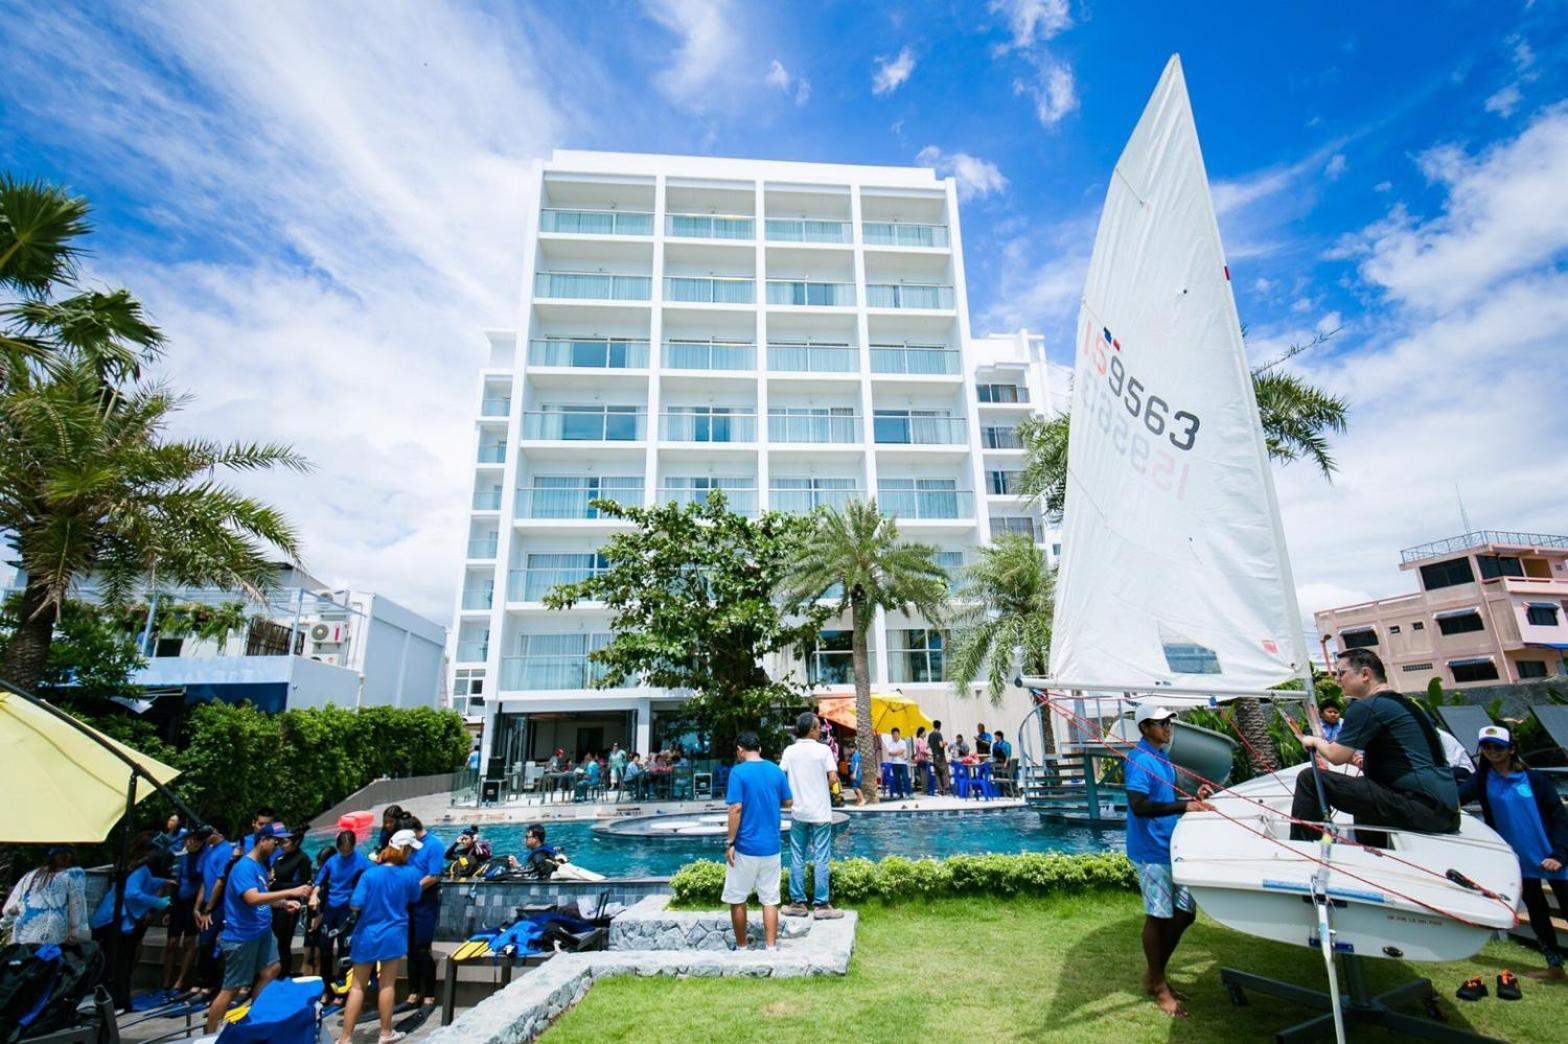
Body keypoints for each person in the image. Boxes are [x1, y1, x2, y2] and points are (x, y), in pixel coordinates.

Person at [1291, 649, 1460, 846]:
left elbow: (1335, 756)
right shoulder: (1406, 704)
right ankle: (1371, 851)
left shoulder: (1367, 706)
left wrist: (1313, 741)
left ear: (1365, 674)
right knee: (1366, 787)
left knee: (1310, 779)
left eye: (1341, 673)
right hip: (1445, 812)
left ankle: (1305, 851)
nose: (1337, 679)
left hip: (1423, 809)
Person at [1125, 701, 1214, 1018]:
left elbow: (1163, 798)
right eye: (1161, 723)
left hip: (1171, 846)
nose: (1167, 728)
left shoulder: (1161, 756)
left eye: (1168, 723)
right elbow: (1139, 806)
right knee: (1158, 917)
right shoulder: (1139, 760)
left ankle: (1154, 976)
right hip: (1151, 849)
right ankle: (1159, 984)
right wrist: (1184, 807)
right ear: (1144, 727)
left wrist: (1192, 799)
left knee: (1185, 913)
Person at [1460, 725, 1568, 981]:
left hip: (1553, 858)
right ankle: (1554, 967)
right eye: (1487, 747)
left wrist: (1560, 855)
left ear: (1511, 749)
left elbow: (1559, 817)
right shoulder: (1482, 780)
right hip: (1518, 862)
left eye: (1498, 746)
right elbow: (1455, 798)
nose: (1492, 751)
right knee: (1538, 914)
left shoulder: (1534, 779)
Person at [204, 823, 310, 1034]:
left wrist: (282, 903)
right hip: (241, 936)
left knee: (273, 969)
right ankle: (210, 1033)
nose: (277, 847)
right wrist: (291, 892)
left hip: (262, 931)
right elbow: (251, 898)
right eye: (275, 842)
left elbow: (262, 898)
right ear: (263, 840)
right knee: (232, 989)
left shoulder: (260, 867)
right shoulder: (244, 868)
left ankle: (255, 1018)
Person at [338, 832, 423, 1044]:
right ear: (405, 850)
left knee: (357, 986)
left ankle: (345, 1038)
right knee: (387, 985)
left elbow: (355, 904)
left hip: (366, 933)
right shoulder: (412, 874)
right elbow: (415, 897)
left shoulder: (370, 874)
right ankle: (385, 1033)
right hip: (394, 934)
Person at [724, 731, 792, 950]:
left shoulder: (738, 772)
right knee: (770, 899)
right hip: (772, 846)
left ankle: (742, 948)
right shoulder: (776, 770)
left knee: (737, 898)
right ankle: (771, 948)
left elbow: (736, 808)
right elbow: (788, 802)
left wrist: (730, 842)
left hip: (745, 847)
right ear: (760, 749)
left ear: (740, 750)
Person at [780, 712, 846, 920]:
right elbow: (833, 777)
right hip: (820, 811)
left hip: (798, 811)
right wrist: (822, 789)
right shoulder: (823, 750)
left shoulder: (790, 751)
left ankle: (797, 903)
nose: (821, 731)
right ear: (811, 730)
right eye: (819, 727)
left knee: (797, 856)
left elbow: (780, 776)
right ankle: (822, 905)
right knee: (821, 857)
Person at [92, 848, 174, 1010]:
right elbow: (132, 894)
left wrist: (164, 882)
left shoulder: (141, 871)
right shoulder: (141, 872)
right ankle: (116, 1001)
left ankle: (119, 1000)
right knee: (118, 964)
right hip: (113, 921)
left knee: (121, 963)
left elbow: (148, 882)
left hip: (115, 920)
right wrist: (155, 902)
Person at [308, 830, 373, 1002]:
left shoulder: (362, 861)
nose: (345, 853)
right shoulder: (332, 861)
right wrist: (314, 895)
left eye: (348, 850)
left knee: (345, 950)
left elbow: (373, 878)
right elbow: (319, 882)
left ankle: (342, 988)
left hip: (348, 909)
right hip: (331, 908)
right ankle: (326, 988)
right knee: (325, 948)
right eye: (342, 850)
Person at [398, 815, 444, 1018]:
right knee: (410, 948)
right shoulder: (408, 844)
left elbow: (434, 875)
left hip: (425, 901)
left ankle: (429, 995)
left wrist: (412, 889)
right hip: (408, 902)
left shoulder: (434, 845)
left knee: (423, 947)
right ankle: (413, 992)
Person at [2, 845, 87, 946]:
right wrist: (80, 937)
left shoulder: (30, 875)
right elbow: (77, 905)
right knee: (48, 955)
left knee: (25, 956)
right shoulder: (75, 873)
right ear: (71, 856)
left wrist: (4, 922)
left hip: (23, 929)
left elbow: (9, 908)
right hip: (52, 929)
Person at [162, 832, 206, 993]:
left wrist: (199, 908)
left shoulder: (204, 857)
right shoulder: (183, 857)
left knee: (189, 942)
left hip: (193, 903)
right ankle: (166, 982)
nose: (189, 843)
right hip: (179, 901)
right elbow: (176, 881)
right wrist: (168, 908)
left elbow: (202, 880)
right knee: (171, 942)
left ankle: (180, 981)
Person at [270, 828, 313, 977]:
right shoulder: (280, 858)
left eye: (285, 842)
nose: (281, 845)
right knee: (273, 941)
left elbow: (303, 885)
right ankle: (273, 973)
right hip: (275, 901)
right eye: (280, 841)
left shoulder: (302, 859)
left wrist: (276, 885)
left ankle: (283, 974)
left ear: (296, 842)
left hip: (290, 905)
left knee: (283, 941)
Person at [885, 728, 911, 800]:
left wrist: (894, 753)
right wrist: (897, 752)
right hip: (894, 763)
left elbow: (902, 751)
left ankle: (908, 793)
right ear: (892, 735)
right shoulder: (891, 743)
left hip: (903, 763)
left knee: (905, 779)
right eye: (893, 734)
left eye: (896, 734)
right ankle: (900, 794)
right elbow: (889, 753)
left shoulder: (903, 742)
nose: (895, 735)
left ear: (899, 734)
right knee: (897, 780)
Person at [928, 720, 949, 796]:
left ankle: (940, 790)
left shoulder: (930, 734)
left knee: (937, 773)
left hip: (934, 756)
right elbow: (940, 745)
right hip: (940, 755)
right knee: (944, 772)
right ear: (939, 726)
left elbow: (928, 745)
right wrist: (944, 743)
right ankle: (946, 789)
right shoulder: (938, 734)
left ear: (933, 726)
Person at [912, 726, 931, 794]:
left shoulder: (920, 740)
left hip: (921, 760)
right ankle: (924, 790)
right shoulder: (920, 740)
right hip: (922, 760)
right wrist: (930, 754)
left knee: (923, 775)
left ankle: (924, 789)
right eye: (924, 732)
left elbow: (922, 749)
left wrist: (927, 747)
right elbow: (922, 750)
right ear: (920, 733)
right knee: (924, 775)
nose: (925, 733)